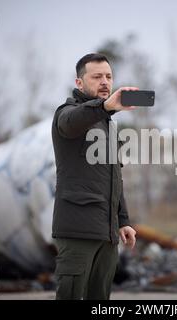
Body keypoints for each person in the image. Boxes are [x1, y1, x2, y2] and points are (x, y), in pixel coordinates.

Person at [51, 53, 137, 300]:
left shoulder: (108, 125)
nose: (105, 82)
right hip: (78, 231)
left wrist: (123, 221)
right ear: (79, 83)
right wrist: (106, 106)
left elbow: (114, 177)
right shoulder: (66, 114)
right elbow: (72, 122)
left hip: (107, 235)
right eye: (97, 76)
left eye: (109, 77)